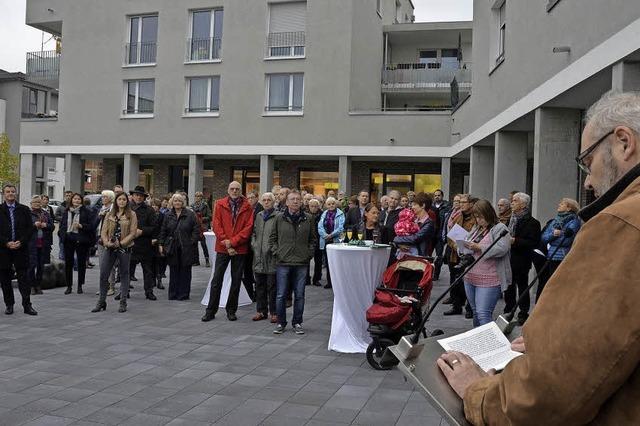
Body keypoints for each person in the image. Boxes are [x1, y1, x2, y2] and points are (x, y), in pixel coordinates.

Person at [437, 90, 640, 426]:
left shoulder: (622, 222)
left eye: (587, 162)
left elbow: (550, 394)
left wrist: (480, 392)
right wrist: (553, 340)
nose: (587, 181)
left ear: (623, 142)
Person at [202, 181, 254, 322]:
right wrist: (227, 243)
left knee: (236, 281)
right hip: (223, 247)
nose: (235, 191)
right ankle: (210, 311)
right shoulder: (219, 203)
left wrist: (233, 242)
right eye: (232, 188)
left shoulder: (248, 206)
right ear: (228, 189)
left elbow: (248, 229)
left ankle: (231, 310)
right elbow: (216, 225)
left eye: (237, 189)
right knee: (216, 280)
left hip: (239, 248)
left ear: (241, 190)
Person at [270, 190, 316, 335]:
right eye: (292, 199)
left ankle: (297, 322)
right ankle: (280, 323)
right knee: (281, 294)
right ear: (287, 202)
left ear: (302, 202)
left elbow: (313, 240)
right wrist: (277, 252)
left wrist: (308, 254)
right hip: (283, 261)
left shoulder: (308, 219)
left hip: (301, 263)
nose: (295, 201)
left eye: (298, 199)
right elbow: (272, 239)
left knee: (300, 295)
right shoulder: (279, 218)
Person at [461, 199, 511, 327]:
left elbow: (503, 248)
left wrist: (479, 247)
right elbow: (467, 242)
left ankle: (492, 343)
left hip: (489, 278)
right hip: (470, 276)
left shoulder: (499, 227)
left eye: (481, 217)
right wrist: (462, 246)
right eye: (476, 217)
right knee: (476, 313)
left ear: (488, 214)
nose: (478, 220)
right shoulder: (476, 228)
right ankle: (479, 342)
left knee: (483, 313)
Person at [92, 192, 137, 313]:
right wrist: (107, 243)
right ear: (116, 201)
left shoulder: (131, 214)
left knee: (124, 274)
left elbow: (133, 233)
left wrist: (121, 243)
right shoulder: (109, 214)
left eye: (124, 199)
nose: (121, 201)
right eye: (119, 199)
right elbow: (104, 231)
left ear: (127, 201)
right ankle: (101, 301)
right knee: (103, 274)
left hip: (124, 248)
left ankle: (123, 302)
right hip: (110, 247)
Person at [504, 192, 541, 325]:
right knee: (508, 286)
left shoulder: (533, 223)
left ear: (523, 204)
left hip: (521, 260)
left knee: (522, 286)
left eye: (515, 201)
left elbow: (533, 242)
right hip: (508, 257)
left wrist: (515, 241)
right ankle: (509, 309)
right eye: (512, 200)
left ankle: (523, 312)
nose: (512, 203)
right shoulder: (510, 219)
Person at [0, 184, 37, 316]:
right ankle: (9, 304)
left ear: (16, 193)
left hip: (21, 249)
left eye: (13, 192)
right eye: (8, 192)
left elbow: (30, 229)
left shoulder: (24, 209)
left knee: (23, 278)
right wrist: (6, 242)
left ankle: (27, 305)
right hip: (4, 250)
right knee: (5, 279)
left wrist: (20, 242)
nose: (10, 194)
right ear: (4, 194)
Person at [536, 198, 581, 300]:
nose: (559, 204)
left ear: (569, 208)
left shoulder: (574, 221)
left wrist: (554, 238)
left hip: (563, 256)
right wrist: (553, 234)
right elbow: (543, 238)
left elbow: (566, 241)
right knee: (550, 282)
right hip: (551, 256)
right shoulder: (555, 220)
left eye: (562, 204)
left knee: (560, 283)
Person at [159, 194, 200, 301]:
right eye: (175, 200)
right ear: (172, 202)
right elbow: (163, 230)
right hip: (172, 247)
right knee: (173, 271)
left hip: (186, 247)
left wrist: (191, 242)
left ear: (183, 203)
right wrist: (161, 244)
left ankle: (183, 294)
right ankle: (173, 294)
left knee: (185, 271)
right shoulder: (168, 215)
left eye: (179, 201)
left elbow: (196, 230)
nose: (177, 202)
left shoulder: (190, 214)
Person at [445, 194, 476, 317]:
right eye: (460, 202)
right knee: (456, 281)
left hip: (469, 255)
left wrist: (464, 246)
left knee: (468, 282)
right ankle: (456, 306)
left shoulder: (475, 219)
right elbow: (451, 236)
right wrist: (456, 246)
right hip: (456, 253)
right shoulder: (459, 217)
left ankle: (470, 308)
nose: (461, 204)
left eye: (464, 202)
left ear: (471, 204)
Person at [126, 186, 158, 301]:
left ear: (144, 197)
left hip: (145, 244)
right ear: (132, 196)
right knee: (127, 269)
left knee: (148, 270)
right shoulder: (126, 208)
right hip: (129, 243)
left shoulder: (149, 210)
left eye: (141, 195)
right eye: (136, 195)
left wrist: (142, 231)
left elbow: (154, 227)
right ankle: (124, 291)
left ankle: (149, 291)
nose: (138, 197)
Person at [58, 193, 93, 295]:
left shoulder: (86, 211)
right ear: (71, 200)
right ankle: (69, 286)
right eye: (75, 199)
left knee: (81, 263)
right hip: (68, 239)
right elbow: (62, 225)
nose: (76, 201)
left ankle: (80, 285)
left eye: (78, 199)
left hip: (81, 240)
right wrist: (62, 234)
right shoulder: (67, 211)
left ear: (81, 201)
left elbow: (91, 226)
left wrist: (81, 225)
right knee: (68, 263)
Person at [251, 192, 278, 322]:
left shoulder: (279, 216)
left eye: (269, 200)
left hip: (272, 257)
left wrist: (273, 249)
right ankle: (261, 311)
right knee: (259, 285)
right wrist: (254, 245)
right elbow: (254, 233)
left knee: (272, 286)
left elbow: (280, 236)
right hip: (258, 256)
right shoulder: (259, 216)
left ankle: (274, 312)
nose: (266, 202)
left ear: (273, 202)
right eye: (264, 200)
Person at [394, 192, 435, 257]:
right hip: (407, 257)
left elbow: (415, 238)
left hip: (420, 258)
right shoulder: (413, 220)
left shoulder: (429, 223)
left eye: (415, 204)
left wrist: (396, 239)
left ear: (423, 205)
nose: (412, 207)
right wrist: (399, 244)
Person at [28, 196, 54, 295]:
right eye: (35, 202)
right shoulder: (27, 214)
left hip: (43, 244)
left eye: (39, 202)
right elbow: (24, 228)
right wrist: (34, 225)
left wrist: (45, 225)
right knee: (31, 266)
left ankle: (38, 285)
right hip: (31, 244)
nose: (37, 204)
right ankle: (31, 286)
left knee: (41, 266)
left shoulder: (45, 213)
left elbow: (52, 226)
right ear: (31, 204)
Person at [318, 196, 345, 289]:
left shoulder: (340, 214)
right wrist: (325, 235)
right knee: (328, 262)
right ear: (326, 205)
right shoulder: (324, 214)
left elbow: (341, 227)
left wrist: (331, 235)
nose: (331, 205)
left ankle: (337, 282)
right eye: (329, 204)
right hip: (326, 240)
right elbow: (320, 226)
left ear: (336, 204)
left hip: (336, 240)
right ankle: (329, 282)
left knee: (336, 263)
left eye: (333, 203)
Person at [432, 189, 450, 280]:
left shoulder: (447, 206)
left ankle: (436, 274)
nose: (437, 197)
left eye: (438, 195)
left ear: (442, 196)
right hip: (431, 235)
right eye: (435, 195)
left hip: (440, 234)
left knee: (439, 255)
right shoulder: (431, 206)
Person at [191, 191, 212, 268]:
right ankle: (196, 261)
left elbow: (210, 216)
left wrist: (201, 219)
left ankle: (207, 260)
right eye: (196, 196)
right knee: (194, 244)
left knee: (204, 244)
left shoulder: (205, 205)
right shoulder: (192, 206)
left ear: (201, 197)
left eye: (199, 196)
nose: (198, 198)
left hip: (203, 227)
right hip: (195, 227)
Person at [150, 198, 166, 289]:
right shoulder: (149, 215)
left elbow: (163, 229)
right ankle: (152, 280)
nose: (154, 207)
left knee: (159, 262)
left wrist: (159, 240)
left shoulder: (162, 216)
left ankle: (159, 279)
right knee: (151, 262)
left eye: (156, 206)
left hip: (159, 241)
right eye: (153, 205)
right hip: (150, 241)